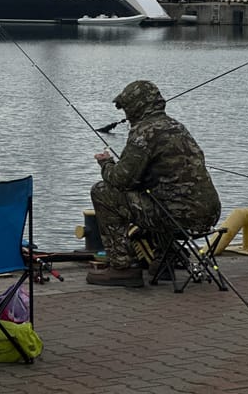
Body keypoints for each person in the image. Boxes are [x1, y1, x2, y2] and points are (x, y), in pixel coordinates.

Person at [87, 79, 221, 288]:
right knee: (158, 196)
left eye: (127, 108)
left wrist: (106, 163)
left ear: (137, 106)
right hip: (209, 215)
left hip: (178, 218)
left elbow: (121, 180)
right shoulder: (177, 126)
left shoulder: (144, 132)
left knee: (102, 192)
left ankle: (122, 268)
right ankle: (166, 259)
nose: (126, 114)